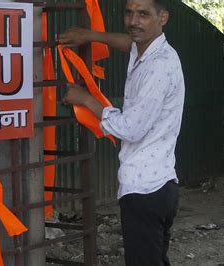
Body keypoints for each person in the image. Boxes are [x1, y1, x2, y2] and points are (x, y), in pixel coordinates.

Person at [58, 0, 184, 265]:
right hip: (159, 183)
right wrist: (90, 35)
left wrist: (86, 99)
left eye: (143, 14)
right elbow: (128, 42)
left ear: (163, 17)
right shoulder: (147, 49)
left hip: (145, 191)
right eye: (129, 13)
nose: (134, 21)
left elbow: (131, 128)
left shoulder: (157, 67)